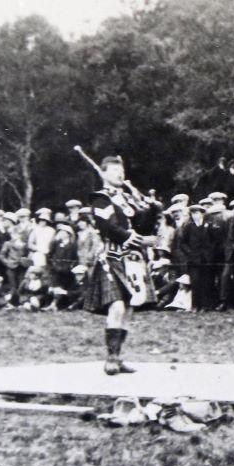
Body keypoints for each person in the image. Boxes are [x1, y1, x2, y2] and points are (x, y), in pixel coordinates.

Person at [83, 155, 162, 376]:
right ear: (104, 173)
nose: (121, 175)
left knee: (128, 308)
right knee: (117, 306)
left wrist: (153, 210)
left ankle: (118, 357)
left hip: (131, 260)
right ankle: (111, 358)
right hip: (112, 257)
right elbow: (108, 227)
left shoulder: (127, 199)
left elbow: (140, 223)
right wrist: (138, 239)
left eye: (122, 171)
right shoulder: (100, 198)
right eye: (115, 171)